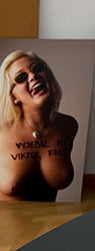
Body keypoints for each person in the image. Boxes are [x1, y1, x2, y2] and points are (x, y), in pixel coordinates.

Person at [1, 51, 78, 201]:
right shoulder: (1, 133)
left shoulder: (68, 125)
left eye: (37, 69)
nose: (33, 76)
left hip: (50, 223)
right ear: (13, 97)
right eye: (21, 77)